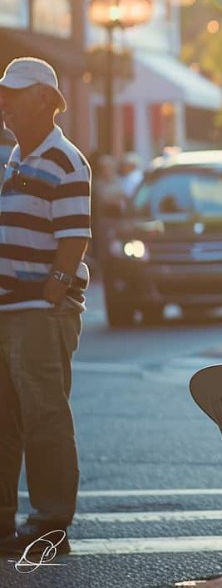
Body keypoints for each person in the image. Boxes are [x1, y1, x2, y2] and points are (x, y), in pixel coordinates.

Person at [0, 58, 91, 557]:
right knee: (6, 418)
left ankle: (51, 523)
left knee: (44, 418)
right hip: (12, 307)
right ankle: (7, 522)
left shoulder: (64, 159)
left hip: (37, 309)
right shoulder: (17, 156)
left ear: (46, 100)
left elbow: (74, 239)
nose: (4, 102)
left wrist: (50, 297)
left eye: (15, 93)